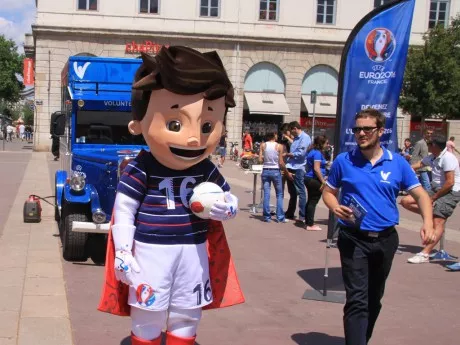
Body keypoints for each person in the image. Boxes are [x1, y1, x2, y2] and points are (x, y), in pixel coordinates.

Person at [97, 46, 244, 345]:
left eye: (206, 126)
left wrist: (228, 208)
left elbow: (227, 196)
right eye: (175, 124)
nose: (193, 138)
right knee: (147, 313)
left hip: (194, 250)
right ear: (138, 124)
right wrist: (123, 251)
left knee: (187, 313)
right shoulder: (143, 166)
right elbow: (124, 208)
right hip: (151, 251)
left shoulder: (205, 168)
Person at [322, 108, 434, 345]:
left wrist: (427, 223)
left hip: (386, 240)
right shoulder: (344, 160)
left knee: (374, 299)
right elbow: (328, 192)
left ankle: (363, 339)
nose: (361, 133)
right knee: (357, 300)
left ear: (380, 131)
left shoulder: (397, 163)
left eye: (367, 129)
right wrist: (334, 207)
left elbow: (422, 196)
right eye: (357, 129)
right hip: (353, 239)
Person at [401, 135, 460, 264]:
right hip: (435, 187)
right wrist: (404, 170)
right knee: (406, 201)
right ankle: (432, 214)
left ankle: (425, 253)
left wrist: (433, 198)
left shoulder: (448, 158)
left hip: (451, 190)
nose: (427, 146)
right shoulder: (432, 157)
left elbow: (450, 182)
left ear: (435, 146)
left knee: (438, 222)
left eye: (429, 144)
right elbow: (419, 164)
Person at [258, 132, 290, 223]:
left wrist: (266, 159)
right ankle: (280, 217)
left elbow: (260, 160)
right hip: (275, 170)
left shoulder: (263, 145)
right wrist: (286, 171)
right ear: (274, 137)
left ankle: (266, 217)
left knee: (266, 193)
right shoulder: (279, 146)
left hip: (265, 170)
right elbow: (281, 162)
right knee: (279, 194)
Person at [284, 121, 310, 222]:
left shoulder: (305, 138)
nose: (291, 133)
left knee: (301, 191)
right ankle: (290, 212)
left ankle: (302, 215)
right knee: (292, 192)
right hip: (291, 166)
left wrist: (287, 155)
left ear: (295, 128)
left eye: (292, 131)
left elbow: (301, 153)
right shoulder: (295, 139)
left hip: (299, 167)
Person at [304, 135, 328, 231]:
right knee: (313, 201)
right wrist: (323, 181)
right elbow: (316, 168)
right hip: (314, 179)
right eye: (326, 143)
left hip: (309, 178)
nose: (327, 145)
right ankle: (310, 224)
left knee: (310, 200)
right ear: (321, 143)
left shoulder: (312, 151)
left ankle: (307, 221)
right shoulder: (317, 153)